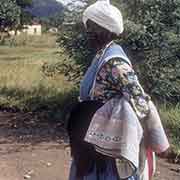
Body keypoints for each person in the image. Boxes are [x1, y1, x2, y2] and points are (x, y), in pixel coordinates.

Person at [68, 1, 169, 180]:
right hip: (91, 138)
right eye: (88, 28)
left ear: (106, 30)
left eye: (92, 28)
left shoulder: (115, 62)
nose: (88, 33)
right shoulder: (101, 55)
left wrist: (146, 133)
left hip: (105, 142)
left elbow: (139, 100)